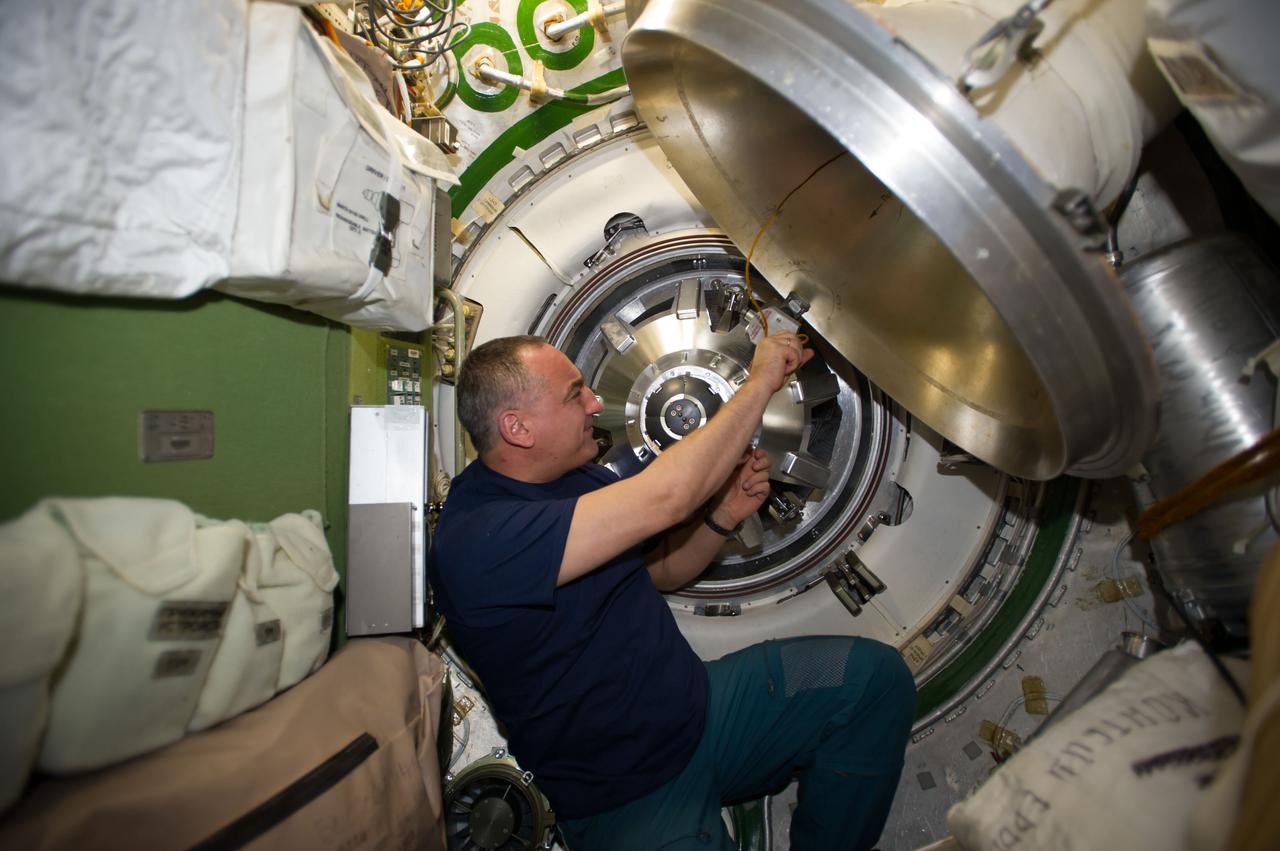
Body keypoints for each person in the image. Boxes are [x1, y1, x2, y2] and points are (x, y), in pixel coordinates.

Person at [429, 332, 916, 850]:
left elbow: (656, 573)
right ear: (517, 427)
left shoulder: (569, 480)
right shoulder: (479, 540)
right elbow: (667, 497)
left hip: (703, 713)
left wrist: (721, 517)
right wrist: (762, 380)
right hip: (626, 795)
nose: (594, 403)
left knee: (873, 683)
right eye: (574, 394)